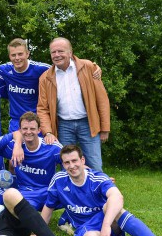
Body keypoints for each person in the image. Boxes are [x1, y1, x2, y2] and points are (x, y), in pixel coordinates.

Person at [41, 145, 162, 236]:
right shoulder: (59, 180)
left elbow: (117, 196)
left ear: (82, 160)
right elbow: (49, 206)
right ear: (63, 165)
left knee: (111, 206)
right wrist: (38, 231)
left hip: (108, 220)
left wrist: (106, 225)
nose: (71, 165)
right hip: (84, 226)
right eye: (67, 162)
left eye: (74, 160)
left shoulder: (97, 178)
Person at [37, 37, 110, 171]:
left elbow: (102, 98)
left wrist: (105, 127)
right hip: (63, 126)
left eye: (61, 51)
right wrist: (47, 132)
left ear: (70, 53)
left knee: (95, 165)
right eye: (53, 52)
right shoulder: (45, 78)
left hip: (88, 124)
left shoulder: (88, 67)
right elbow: (42, 109)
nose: (57, 55)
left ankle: (100, 191)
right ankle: (70, 192)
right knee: (67, 166)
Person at [1, 112, 62, 211]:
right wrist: (17, 145)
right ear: (20, 130)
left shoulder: (52, 148)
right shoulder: (13, 147)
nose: (28, 132)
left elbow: (74, 163)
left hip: (47, 191)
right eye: (25, 129)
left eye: (32, 129)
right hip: (26, 192)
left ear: (39, 130)